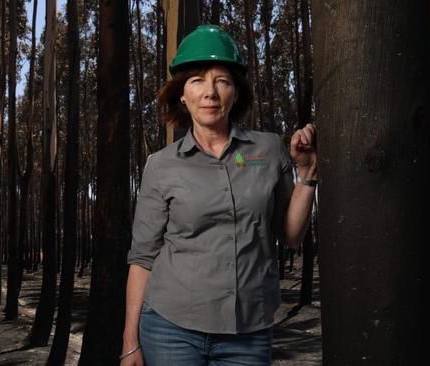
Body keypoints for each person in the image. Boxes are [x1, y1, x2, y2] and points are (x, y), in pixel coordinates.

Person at [120, 25, 317, 366]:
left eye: (222, 81)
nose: (210, 92)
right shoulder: (161, 166)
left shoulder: (267, 150)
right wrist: (130, 343)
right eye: (197, 80)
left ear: (236, 93)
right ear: (182, 94)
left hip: (248, 333)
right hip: (170, 329)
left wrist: (308, 175)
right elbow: (142, 259)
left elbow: (291, 236)